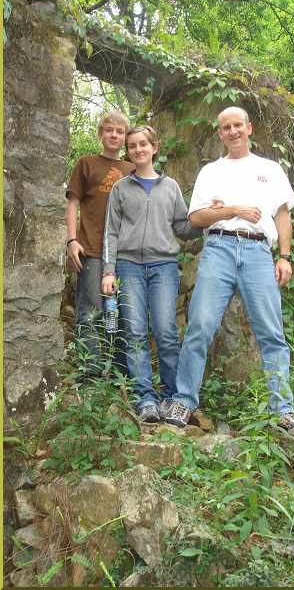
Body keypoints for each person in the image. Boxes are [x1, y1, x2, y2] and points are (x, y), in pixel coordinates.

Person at [165, 106, 294, 431]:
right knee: (199, 326)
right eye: (226, 127)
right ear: (220, 133)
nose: (232, 131)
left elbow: (282, 215)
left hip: (258, 251)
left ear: (249, 128)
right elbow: (195, 218)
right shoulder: (210, 172)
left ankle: (283, 409)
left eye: (237, 125)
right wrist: (232, 210)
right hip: (218, 249)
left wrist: (284, 256)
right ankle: (183, 402)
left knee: (272, 332)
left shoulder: (270, 169)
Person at [101, 125, 206, 422]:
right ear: (129, 151)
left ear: (154, 148)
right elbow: (110, 232)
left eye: (143, 144)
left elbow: (183, 228)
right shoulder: (121, 188)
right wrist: (108, 271)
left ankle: (173, 397)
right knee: (134, 332)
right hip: (128, 266)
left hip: (164, 268)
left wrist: (207, 217)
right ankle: (145, 398)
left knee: (166, 332)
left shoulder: (170, 187)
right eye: (132, 146)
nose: (138, 150)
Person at [66, 111, 135, 377]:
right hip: (91, 249)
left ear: (125, 137)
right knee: (90, 314)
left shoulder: (131, 170)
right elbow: (72, 202)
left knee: (124, 316)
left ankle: (120, 376)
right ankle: (90, 377)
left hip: (125, 254)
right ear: (101, 133)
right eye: (109, 130)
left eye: (119, 131)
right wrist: (72, 240)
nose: (114, 135)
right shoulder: (86, 163)